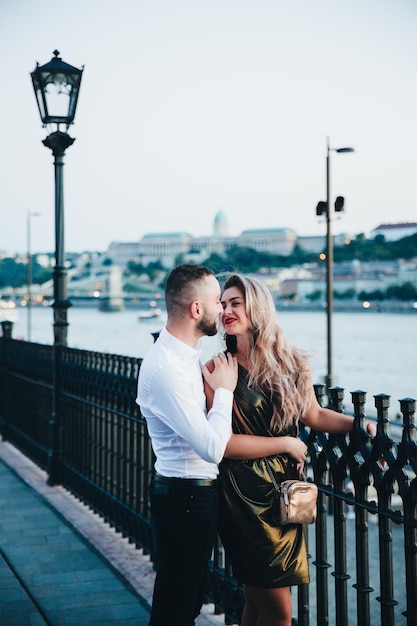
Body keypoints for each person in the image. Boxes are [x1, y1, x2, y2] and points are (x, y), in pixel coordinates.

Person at [204, 272, 372, 626]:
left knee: (256, 600)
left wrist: (359, 425)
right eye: (223, 305)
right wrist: (286, 443)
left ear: (258, 308)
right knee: (280, 611)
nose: (226, 311)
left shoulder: (294, 362)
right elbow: (224, 445)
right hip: (240, 493)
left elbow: (313, 414)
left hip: (284, 492)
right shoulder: (217, 369)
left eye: (235, 303)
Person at [136, 264, 238, 626]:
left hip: (191, 498)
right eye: (216, 301)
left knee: (187, 603)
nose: (222, 310)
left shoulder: (184, 359)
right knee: (175, 610)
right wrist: (224, 390)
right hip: (186, 500)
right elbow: (213, 447)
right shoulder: (168, 370)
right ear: (197, 309)